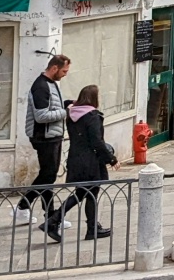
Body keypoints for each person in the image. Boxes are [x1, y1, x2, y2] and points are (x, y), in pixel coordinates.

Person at [43, 85, 116, 242]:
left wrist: (76, 102)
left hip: (76, 159)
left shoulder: (73, 114)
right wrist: (111, 159)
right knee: (89, 193)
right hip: (90, 161)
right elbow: (97, 142)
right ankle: (57, 222)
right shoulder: (92, 116)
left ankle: (62, 222)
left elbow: (66, 103)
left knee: (82, 193)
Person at [16, 54, 70, 226]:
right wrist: (65, 112)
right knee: (48, 175)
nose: (65, 74)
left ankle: (42, 213)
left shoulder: (51, 84)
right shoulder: (41, 86)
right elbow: (41, 116)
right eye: (64, 71)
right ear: (54, 68)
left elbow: (53, 107)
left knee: (48, 175)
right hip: (44, 137)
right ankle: (35, 210)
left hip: (51, 136)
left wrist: (68, 104)